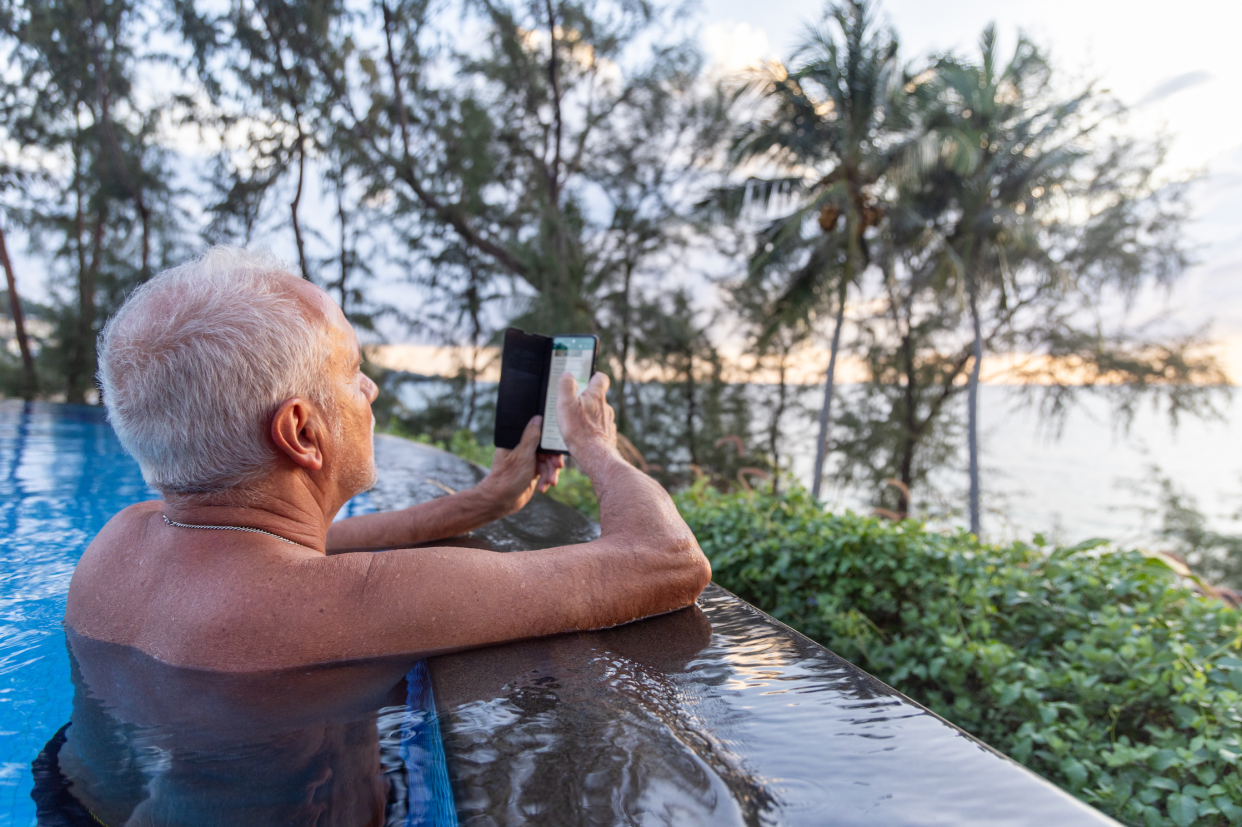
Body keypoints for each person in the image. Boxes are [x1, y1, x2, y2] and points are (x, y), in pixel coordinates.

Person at [65, 247, 711, 671]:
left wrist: (484, 501)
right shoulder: (347, 606)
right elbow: (667, 559)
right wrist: (594, 443)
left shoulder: (114, 550)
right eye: (352, 372)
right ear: (301, 432)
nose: (370, 390)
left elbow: (319, 547)